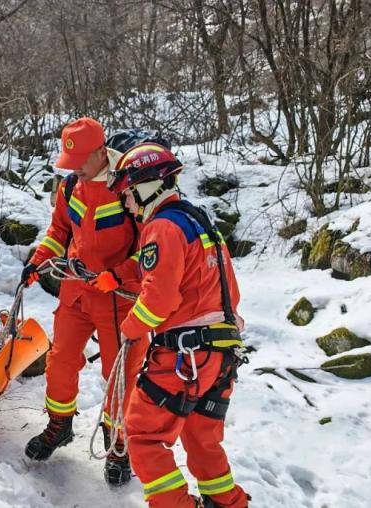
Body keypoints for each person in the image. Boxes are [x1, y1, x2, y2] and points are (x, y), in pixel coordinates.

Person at [107, 143, 249, 507]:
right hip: (220, 355)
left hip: (184, 356)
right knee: (203, 439)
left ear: (146, 185)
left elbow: (159, 299)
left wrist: (131, 328)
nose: (125, 203)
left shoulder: (162, 228)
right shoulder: (202, 225)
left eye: (126, 193)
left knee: (142, 435)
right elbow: (230, 295)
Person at [21, 117, 148, 487]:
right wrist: (38, 259)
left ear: (99, 152)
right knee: (60, 360)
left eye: (78, 159)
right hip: (76, 291)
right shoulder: (69, 187)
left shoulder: (131, 189)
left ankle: (118, 442)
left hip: (119, 299)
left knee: (119, 375)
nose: (72, 167)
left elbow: (149, 248)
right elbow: (60, 230)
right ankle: (59, 425)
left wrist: (119, 275)